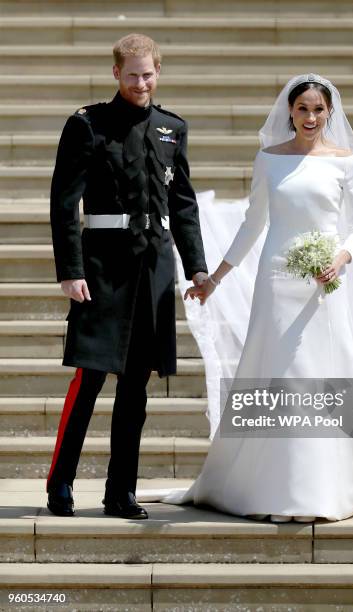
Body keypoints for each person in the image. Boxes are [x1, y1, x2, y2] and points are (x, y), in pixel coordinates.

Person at [136, 73, 353, 523]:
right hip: (277, 282)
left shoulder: (347, 161)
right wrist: (215, 278)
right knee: (279, 374)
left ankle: (326, 486)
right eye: (303, 108)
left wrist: (342, 257)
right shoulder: (269, 159)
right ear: (290, 111)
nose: (310, 117)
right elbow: (254, 224)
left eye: (318, 109)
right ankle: (274, 485)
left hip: (325, 282)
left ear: (330, 113)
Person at [46, 33, 208, 519]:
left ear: (159, 72)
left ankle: (121, 492)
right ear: (116, 73)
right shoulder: (87, 125)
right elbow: (63, 202)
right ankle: (61, 483)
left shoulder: (171, 129)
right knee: (90, 378)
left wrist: (196, 267)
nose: (142, 83)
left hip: (153, 269)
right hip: (101, 268)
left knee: (136, 385)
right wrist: (70, 271)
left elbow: (183, 205)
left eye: (149, 73)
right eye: (133, 74)